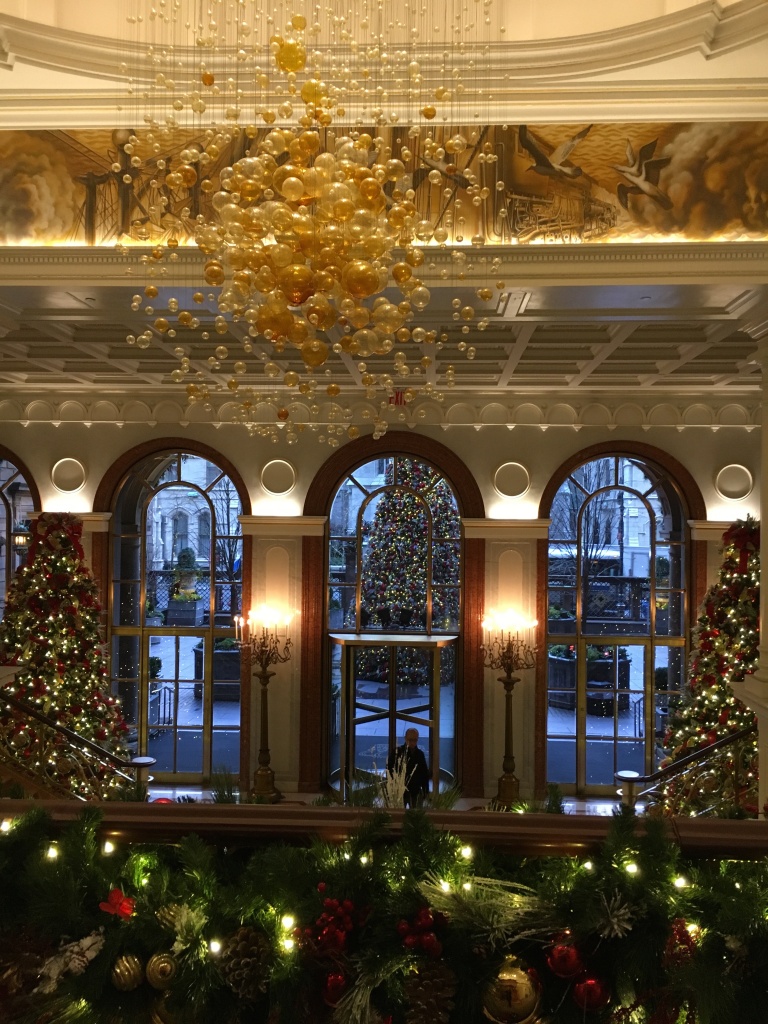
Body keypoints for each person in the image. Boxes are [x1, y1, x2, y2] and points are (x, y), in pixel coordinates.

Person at [387, 727, 430, 807]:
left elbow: (424, 774)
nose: (412, 743)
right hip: (399, 790)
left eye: (415, 740)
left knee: (416, 813)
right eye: (410, 740)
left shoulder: (420, 754)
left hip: (415, 790)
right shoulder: (397, 753)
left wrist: (425, 791)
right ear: (405, 738)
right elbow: (390, 770)